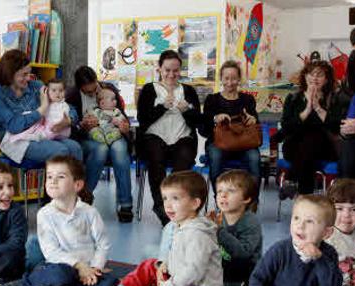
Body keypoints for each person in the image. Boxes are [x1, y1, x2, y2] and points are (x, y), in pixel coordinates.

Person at [88, 171, 223, 286]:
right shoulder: (177, 224)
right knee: (149, 265)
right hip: (179, 281)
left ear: (194, 203)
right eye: (165, 198)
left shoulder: (198, 235)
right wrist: (164, 264)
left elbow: (192, 272)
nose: (168, 205)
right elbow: (177, 254)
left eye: (175, 198)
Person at [0, 156, 116, 286]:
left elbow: (103, 244)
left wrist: (95, 268)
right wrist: (79, 265)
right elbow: (51, 252)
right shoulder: (45, 214)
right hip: (59, 266)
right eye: (49, 176)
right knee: (60, 275)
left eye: (60, 176)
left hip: (87, 270)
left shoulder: (90, 212)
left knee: (111, 282)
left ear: (77, 185)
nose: (52, 181)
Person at [137, 50, 202, 225]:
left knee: (183, 164)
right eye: (167, 70)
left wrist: (186, 110)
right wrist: (162, 107)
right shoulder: (150, 89)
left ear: (180, 70)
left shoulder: (188, 91)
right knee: (155, 160)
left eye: (175, 70)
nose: (171, 74)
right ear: (159, 69)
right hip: (155, 137)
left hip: (182, 137)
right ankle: (161, 207)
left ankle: (180, 207)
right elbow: (143, 119)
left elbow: (199, 121)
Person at [0, 49, 82, 164]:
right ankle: (54, 182)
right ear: (10, 74)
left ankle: (77, 183)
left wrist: (68, 120)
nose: (28, 78)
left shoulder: (36, 86)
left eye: (29, 73)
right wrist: (41, 109)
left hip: (42, 132)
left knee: (75, 148)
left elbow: (65, 106)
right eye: (24, 74)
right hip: (15, 140)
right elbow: (14, 126)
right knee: (60, 150)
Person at [66, 65, 133, 222]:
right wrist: (82, 126)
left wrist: (124, 126)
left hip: (114, 133)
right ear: (80, 88)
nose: (93, 94)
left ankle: (126, 204)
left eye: (94, 89)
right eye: (88, 92)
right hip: (90, 138)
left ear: (97, 81)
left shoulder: (108, 89)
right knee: (101, 149)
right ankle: (84, 197)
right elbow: (70, 128)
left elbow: (121, 114)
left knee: (119, 149)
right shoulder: (72, 96)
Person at [274, 60, 348, 197]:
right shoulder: (293, 98)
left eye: (319, 75)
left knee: (313, 138)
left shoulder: (335, 99)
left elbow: (337, 128)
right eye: (311, 74)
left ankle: (292, 182)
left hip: (325, 148)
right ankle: (305, 197)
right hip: (293, 146)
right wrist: (306, 111)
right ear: (305, 76)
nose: (314, 78)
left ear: (326, 79)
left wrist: (318, 108)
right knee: (307, 144)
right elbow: (286, 127)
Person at [201, 60, 260, 191]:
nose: (230, 82)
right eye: (226, 78)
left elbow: (256, 125)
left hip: (244, 144)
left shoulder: (247, 99)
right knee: (216, 158)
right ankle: (220, 199)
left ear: (239, 79)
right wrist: (215, 119)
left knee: (255, 158)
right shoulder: (212, 99)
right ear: (221, 79)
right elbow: (203, 130)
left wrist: (252, 120)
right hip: (218, 143)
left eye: (234, 78)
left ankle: (251, 199)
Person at [208, 170, 262, 286]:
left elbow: (243, 253)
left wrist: (219, 231)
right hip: (223, 265)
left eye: (230, 191)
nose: (223, 195)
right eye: (219, 191)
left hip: (245, 268)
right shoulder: (218, 217)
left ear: (246, 198)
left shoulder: (250, 221)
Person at [7, 78, 72, 142]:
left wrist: (66, 120)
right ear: (47, 92)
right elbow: (42, 115)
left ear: (65, 92)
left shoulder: (64, 104)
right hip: (52, 128)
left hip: (61, 129)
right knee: (42, 127)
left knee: (45, 132)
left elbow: (67, 113)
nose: (57, 93)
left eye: (61, 91)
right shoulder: (46, 103)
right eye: (54, 90)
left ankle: (41, 135)